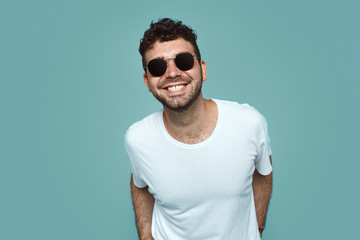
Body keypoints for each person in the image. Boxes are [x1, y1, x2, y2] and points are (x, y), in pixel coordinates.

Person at [125, 18, 273, 240]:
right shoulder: (138, 139)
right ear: (147, 81)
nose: (172, 73)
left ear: (202, 69)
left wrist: (257, 229)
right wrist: (146, 236)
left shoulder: (249, 123)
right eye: (158, 66)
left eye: (183, 61)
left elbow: (263, 172)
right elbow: (139, 184)